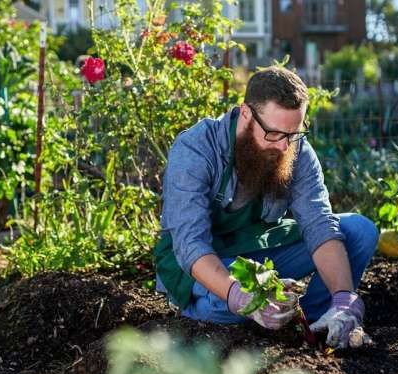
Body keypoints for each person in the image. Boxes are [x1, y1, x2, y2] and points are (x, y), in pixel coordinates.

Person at [153, 66, 378, 349]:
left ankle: (319, 321)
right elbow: (190, 244)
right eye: (273, 133)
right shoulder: (196, 149)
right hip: (203, 260)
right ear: (246, 113)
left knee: (359, 231)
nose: (284, 146)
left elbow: (319, 224)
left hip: (258, 251)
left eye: (293, 133)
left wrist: (344, 298)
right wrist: (239, 295)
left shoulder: (296, 150)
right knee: (228, 306)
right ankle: (200, 314)